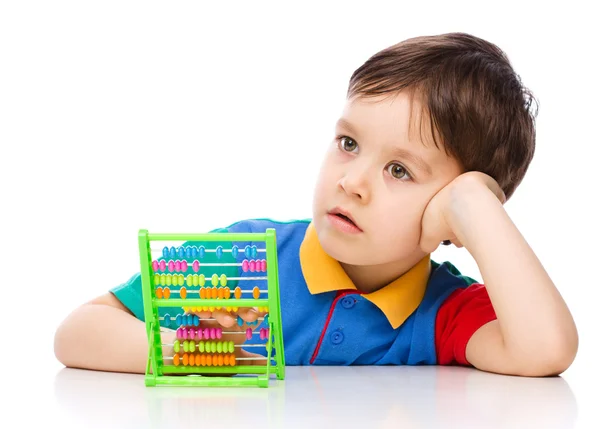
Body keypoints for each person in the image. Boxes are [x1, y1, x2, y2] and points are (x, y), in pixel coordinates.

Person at [54, 32, 578, 377]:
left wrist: (474, 204)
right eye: (348, 143)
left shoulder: (444, 312)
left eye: (400, 170)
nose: (351, 182)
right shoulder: (244, 259)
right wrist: (201, 348)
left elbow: (546, 349)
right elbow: (78, 333)